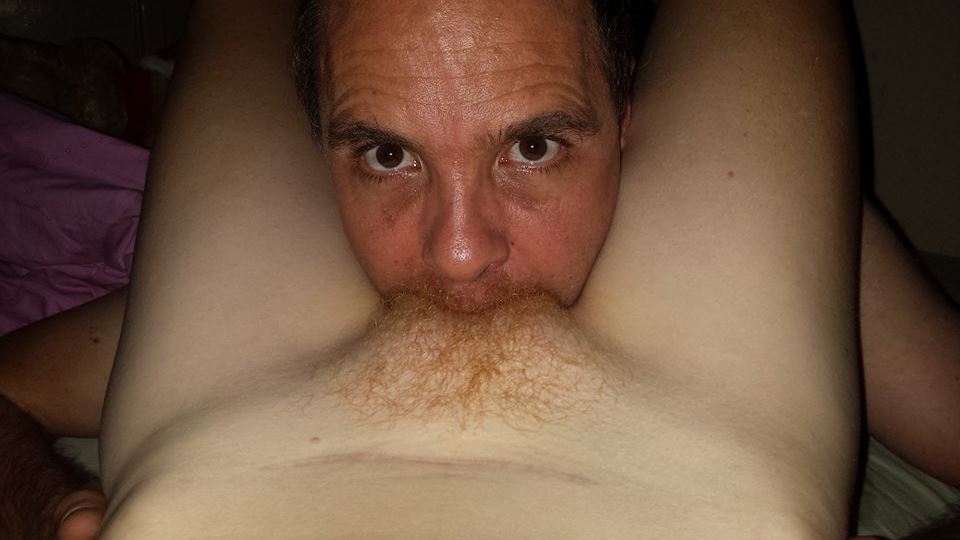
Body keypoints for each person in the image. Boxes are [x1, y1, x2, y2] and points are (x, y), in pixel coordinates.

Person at [0, 0, 957, 538]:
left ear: (635, 130)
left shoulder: (765, 235)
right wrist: (55, 508)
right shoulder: (261, 292)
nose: (458, 252)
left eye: (534, 147)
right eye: (387, 155)